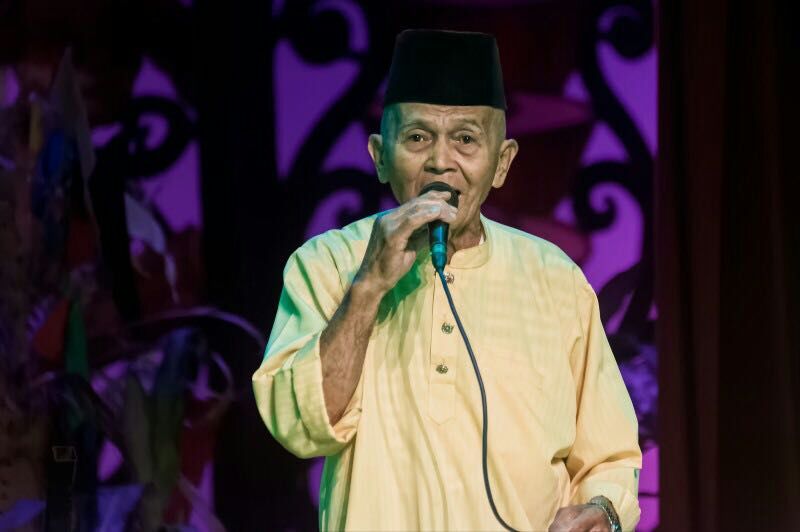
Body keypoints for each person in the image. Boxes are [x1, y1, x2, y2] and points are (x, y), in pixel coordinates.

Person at [253, 29, 641, 531]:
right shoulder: (327, 263)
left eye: (466, 139)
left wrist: (603, 510)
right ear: (379, 155)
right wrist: (368, 286)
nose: (440, 160)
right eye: (417, 137)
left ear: (502, 163)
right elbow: (300, 428)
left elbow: (610, 456)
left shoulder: (556, 279)